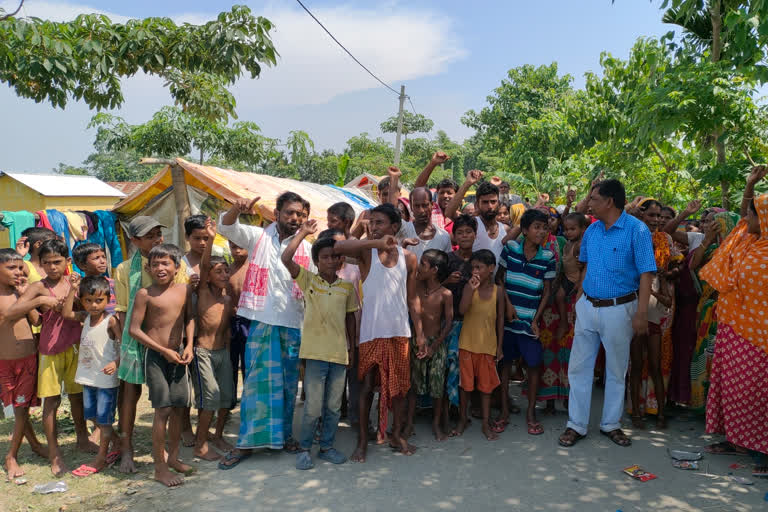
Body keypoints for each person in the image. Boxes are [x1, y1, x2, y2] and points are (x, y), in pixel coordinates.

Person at [217, 193, 314, 469]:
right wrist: (237, 207)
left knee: (286, 386)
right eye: (290, 213)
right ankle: (245, 443)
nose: (295, 219)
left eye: (300, 215)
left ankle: (284, 437)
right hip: (261, 321)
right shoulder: (257, 237)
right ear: (277, 213)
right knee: (255, 386)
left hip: (294, 323)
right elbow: (225, 227)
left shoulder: (306, 249)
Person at [558, 179, 656, 448]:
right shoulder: (592, 231)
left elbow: (647, 272)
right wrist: (579, 302)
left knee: (616, 369)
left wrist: (641, 313)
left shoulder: (637, 230)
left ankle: (611, 424)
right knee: (579, 368)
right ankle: (575, 425)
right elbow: (585, 268)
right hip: (588, 305)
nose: (589, 203)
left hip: (620, 308)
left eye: (594, 199)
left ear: (609, 201)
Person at [334, 204, 422, 462]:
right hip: (371, 332)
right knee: (366, 388)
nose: (373, 227)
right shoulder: (366, 255)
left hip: (399, 332)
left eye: (380, 223)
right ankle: (362, 441)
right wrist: (373, 242)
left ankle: (397, 434)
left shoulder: (408, 258)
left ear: (395, 227)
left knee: (400, 389)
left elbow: (412, 298)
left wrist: (420, 332)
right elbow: (339, 247)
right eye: (372, 222)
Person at [700, 184, 768, 476]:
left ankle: (762, 450)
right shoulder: (746, 242)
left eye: (754, 216)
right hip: (732, 328)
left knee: (754, 392)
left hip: (759, 335)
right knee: (730, 389)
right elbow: (742, 218)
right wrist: (750, 188)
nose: (747, 220)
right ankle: (738, 441)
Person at [114, 216, 189, 474]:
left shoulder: (177, 265)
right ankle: (127, 450)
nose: (157, 238)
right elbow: (124, 312)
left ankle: (173, 451)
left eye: (159, 232)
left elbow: (184, 307)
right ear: (134, 241)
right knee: (130, 394)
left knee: (175, 402)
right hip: (138, 342)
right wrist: (125, 348)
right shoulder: (125, 270)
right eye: (150, 236)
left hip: (171, 344)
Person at [281, 219, 357, 470]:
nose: (332, 261)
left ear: (341, 261)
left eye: (336, 257)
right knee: (313, 407)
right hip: (314, 354)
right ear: (316, 261)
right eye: (325, 257)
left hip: (338, 355)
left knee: (334, 406)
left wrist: (352, 348)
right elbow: (286, 258)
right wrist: (302, 233)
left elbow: (349, 318)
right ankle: (305, 449)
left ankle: (326, 447)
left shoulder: (347, 287)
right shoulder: (309, 281)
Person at [16, 239, 94, 476]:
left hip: (75, 346)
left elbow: (87, 308)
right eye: (46, 263)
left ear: (68, 262)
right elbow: (17, 308)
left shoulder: (76, 283)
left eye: (57, 262)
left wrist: (74, 302)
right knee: (51, 402)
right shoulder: (39, 287)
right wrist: (39, 304)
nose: (52, 267)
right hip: (50, 350)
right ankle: (54, 453)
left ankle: (82, 438)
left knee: (77, 397)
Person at [128, 243, 195, 487]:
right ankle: (160, 468)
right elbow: (135, 330)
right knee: (163, 410)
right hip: (156, 357)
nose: (160, 268)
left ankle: (174, 458)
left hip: (178, 356)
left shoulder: (185, 290)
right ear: (148, 268)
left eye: (165, 263)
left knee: (179, 408)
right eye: (155, 264)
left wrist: (188, 346)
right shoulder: (145, 294)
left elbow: (189, 318)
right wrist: (163, 350)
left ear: (177, 267)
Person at [496, 209, 557, 435]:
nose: (541, 231)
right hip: (507, 320)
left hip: (529, 322)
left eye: (544, 228)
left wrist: (536, 320)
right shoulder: (510, 250)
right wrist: (509, 306)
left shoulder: (548, 257)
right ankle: (503, 411)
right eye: (536, 227)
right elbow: (499, 279)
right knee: (504, 365)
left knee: (533, 365)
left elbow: (546, 292)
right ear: (524, 230)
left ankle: (531, 412)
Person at [61, 274, 121, 477]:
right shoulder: (85, 318)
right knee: (93, 417)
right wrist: (72, 289)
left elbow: (124, 346)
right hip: (88, 378)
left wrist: (116, 362)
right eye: (88, 300)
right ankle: (118, 443)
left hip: (105, 381)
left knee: (104, 421)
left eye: (99, 300)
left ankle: (100, 459)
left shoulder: (111, 321)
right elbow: (67, 313)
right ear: (82, 300)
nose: (94, 305)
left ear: (107, 299)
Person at [0, 249, 52, 481]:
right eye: (11, 268)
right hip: (5, 363)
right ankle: (17, 453)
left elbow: (36, 320)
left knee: (22, 410)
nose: (19, 272)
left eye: (21, 268)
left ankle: (23, 449)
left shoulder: (18, 293)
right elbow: (10, 314)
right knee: (19, 410)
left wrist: (26, 297)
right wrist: (37, 298)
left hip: (27, 360)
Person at [628, 199, 676, 429]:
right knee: (636, 363)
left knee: (655, 363)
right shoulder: (633, 235)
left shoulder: (665, 240)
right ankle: (635, 411)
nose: (656, 220)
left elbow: (674, 267)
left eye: (659, 216)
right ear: (642, 215)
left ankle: (660, 412)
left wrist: (666, 276)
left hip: (658, 299)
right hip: (636, 299)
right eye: (652, 215)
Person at [191, 219, 235, 461]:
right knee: (210, 398)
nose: (224, 274)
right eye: (219, 271)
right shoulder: (204, 292)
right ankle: (200, 444)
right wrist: (210, 238)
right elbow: (205, 263)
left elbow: (226, 328)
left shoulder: (227, 300)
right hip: (204, 352)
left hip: (222, 353)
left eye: (226, 270)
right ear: (208, 276)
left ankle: (217, 436)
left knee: (226, 397)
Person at [453, 249, 504, 440]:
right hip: (467, 344)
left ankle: (485, 423)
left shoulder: (498, 291)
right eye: (473, 267)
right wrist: (470, 290)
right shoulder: (469, 287)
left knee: (486, 388)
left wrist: (499, 347)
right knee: (465, 387)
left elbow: (500, 320)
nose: (475, 271)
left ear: (491, 268)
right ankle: (462, 419)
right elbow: (462, 310)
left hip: (487, 346)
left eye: (479, 267)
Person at [405, 249, 453, 441]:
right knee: (414, 383)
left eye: (423, 264)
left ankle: (436, 422)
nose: (419, 268)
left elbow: (448, 322)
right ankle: (409, 422)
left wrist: (434, 346)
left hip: (436, 343)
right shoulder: (415, 287)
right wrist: (420, 337)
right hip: (418, 340)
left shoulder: (445, 294)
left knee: (437, 385)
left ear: (434, 270)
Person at [441, 215, 477, 410]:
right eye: (460, 233)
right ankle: (449, 407)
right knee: (450, 363)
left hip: (473, 321)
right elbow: (433, 286)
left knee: (468, 366)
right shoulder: (447, 259)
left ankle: (465, 407)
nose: (464, 236)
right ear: (454, 236)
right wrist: (447, 281)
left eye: (468, 232)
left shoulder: (480, 260)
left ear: (475, 235)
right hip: (450, 320)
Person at [387, 167, 452, 260]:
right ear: (411, 207)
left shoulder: (444, 236)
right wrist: (394, 178)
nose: (421, 210)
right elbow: (391, 213)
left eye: (425, 205)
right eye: (417, 206)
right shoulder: (404, 229)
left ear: (432, 205)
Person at [445, 171, 507, 262]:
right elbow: (449, 213)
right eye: (485, 202)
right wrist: (468, 183)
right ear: (477, 205)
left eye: (493, 202)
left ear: (499, 203)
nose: (490, 206)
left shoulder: (506, 229)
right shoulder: (472, 224)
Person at [227, 238, 249, 409]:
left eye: (240, 246)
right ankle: (230, 399)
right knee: (231, 362)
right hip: (231, 321)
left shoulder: (254, 268)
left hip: (250, 321)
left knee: (249, 361)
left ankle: (249, 398)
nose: (237, 251)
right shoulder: (226, 270)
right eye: (233, 247)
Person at [412, 151, 455, 231]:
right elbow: (418, 189)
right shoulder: (431, 210)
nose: (445, 196)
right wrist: (433, 163)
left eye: (449, 193)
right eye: (441, 193)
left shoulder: (459, 217)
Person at [72, 243, 117, 314]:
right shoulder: (79, 287)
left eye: (104, 257)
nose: (102, 261)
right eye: (96, 258)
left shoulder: (112, 283)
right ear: (83, 265)